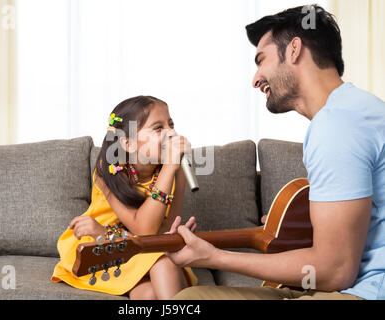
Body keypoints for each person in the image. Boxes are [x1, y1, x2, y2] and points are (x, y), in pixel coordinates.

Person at [166, 5, 385, 300]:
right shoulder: (359, 109)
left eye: (261, 60)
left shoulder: (336, 124)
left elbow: (336, 269)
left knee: (191, 301)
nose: (255, 79)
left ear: (294, 50)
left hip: (367, 291)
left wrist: (214, 257)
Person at [51, 95, 199, 300]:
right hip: (106, 245)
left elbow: (163, 233)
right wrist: (170, 169)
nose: (171, 133)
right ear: (128, 144)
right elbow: (144, 230)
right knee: (161, 265)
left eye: (171, 125)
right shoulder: (109, 171)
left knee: (149, 291)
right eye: (159, 128)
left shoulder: (170, 170)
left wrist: (178, 176)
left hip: (146, 248)